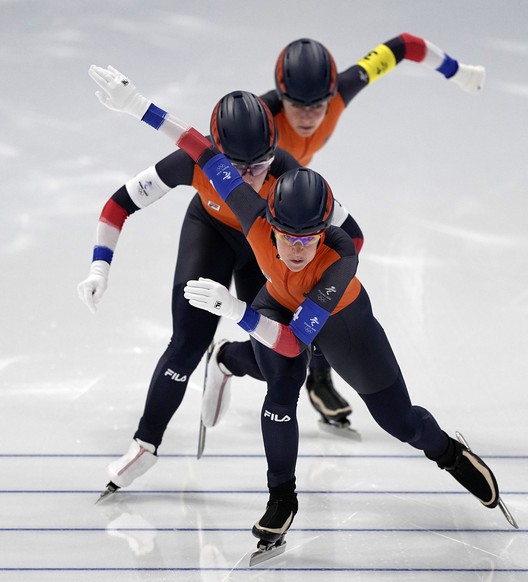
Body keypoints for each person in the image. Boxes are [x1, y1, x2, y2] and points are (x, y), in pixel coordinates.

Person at [87, 66, 504, 550]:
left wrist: (235, 308)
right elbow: (199, 147)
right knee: (282, 390)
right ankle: (282, 497)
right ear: (267, 220)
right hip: (279, 302)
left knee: (399, 422)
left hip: (337, 316)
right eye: (287, 237)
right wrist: (136, 102)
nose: (297, 248)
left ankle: (449, 453)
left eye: (309, 238)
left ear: (325, 231)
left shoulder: (338, 262)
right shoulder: (252, 213)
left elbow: (290, 340)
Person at [79, 87, 364, 497]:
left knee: (278, 359)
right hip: (209, 235)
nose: (252, 177)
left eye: (262, 164)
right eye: (239, 168)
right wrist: (99, 267)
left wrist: (323, 289)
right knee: (187, 342)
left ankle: (227, 359)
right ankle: (145, 444)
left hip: (264, 251)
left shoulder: (289, 171)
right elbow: (119, 204)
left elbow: (351, 236)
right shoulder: (193, 162)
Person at [207, 33, 486, 429]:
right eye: (294, 106)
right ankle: (237, 359)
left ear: (331, 95)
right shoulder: (261, 121)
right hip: (255, 211)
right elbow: (218, 147)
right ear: (279, 101)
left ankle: (309, 373)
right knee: (284, 347)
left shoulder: (340, 93)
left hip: (297, 205)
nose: (306, 117)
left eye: (317, 106)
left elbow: (402, 46)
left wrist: (456, 71)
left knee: (324, 295)